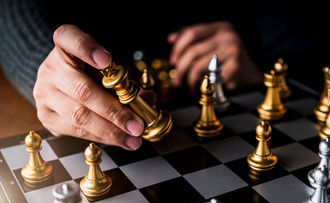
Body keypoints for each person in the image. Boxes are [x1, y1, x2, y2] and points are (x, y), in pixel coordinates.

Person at [0, 0, 265, 150]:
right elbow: (13, 11)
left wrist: (256, 59)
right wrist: (46, 64)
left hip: (214, 93)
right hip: (105, 114)